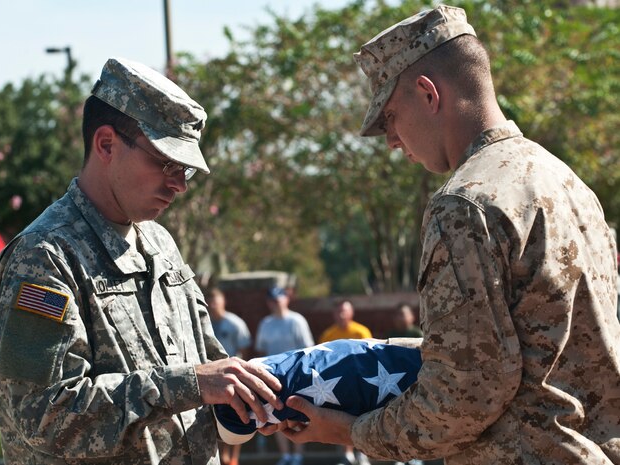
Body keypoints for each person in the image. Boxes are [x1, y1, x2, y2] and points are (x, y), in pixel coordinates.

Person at [276, 6, 620, 465]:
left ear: (427, 93)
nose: (392, 141)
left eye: (391, 117)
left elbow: (465, 393)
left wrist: (354, 432)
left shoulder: (464, 204)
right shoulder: (567, 182)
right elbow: (548, 347)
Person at [0, 57, 283, 465]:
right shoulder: (43, 257)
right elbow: (42, 417)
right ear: (106, 144)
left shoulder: (159, 242)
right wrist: (190, 385)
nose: (178, 185)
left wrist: (254, 398)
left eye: (186, 171)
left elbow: (210, 364)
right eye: (166, 163)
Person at [255, 286, 314, 465]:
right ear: (268, 302)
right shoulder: (265, 323)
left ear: (286, 299)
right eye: (272, 300)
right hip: (273, 376)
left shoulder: (297, 321)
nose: (276, 303)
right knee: (275, 414)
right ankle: (286, 455)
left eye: (279, 299)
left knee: (298, 414)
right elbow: (261, 349)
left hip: (297, 374)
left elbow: (308, 349)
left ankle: (297, 455)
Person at [318, 301, 372, 465]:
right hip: (338, 384)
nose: (341, 315)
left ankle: (364, 453)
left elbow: (370, 356)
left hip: (361, 382)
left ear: (351, 313)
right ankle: (347, 455)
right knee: (343, 418)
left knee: (364, 417)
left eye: (344, 311)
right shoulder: (328, 334)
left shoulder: (361, 331)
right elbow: (321, 360)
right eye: (338, 311)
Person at [207, 288, 252, 465]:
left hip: (235, 377)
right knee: (217, 417)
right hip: (212, 378)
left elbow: (245, 349)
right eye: (209, 300)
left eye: (215, 299)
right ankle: (222, 456)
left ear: (223, 300)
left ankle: (234, 458)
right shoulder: (205, 323)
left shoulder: (235, 323)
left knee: (238, 414)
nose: (212, 304)